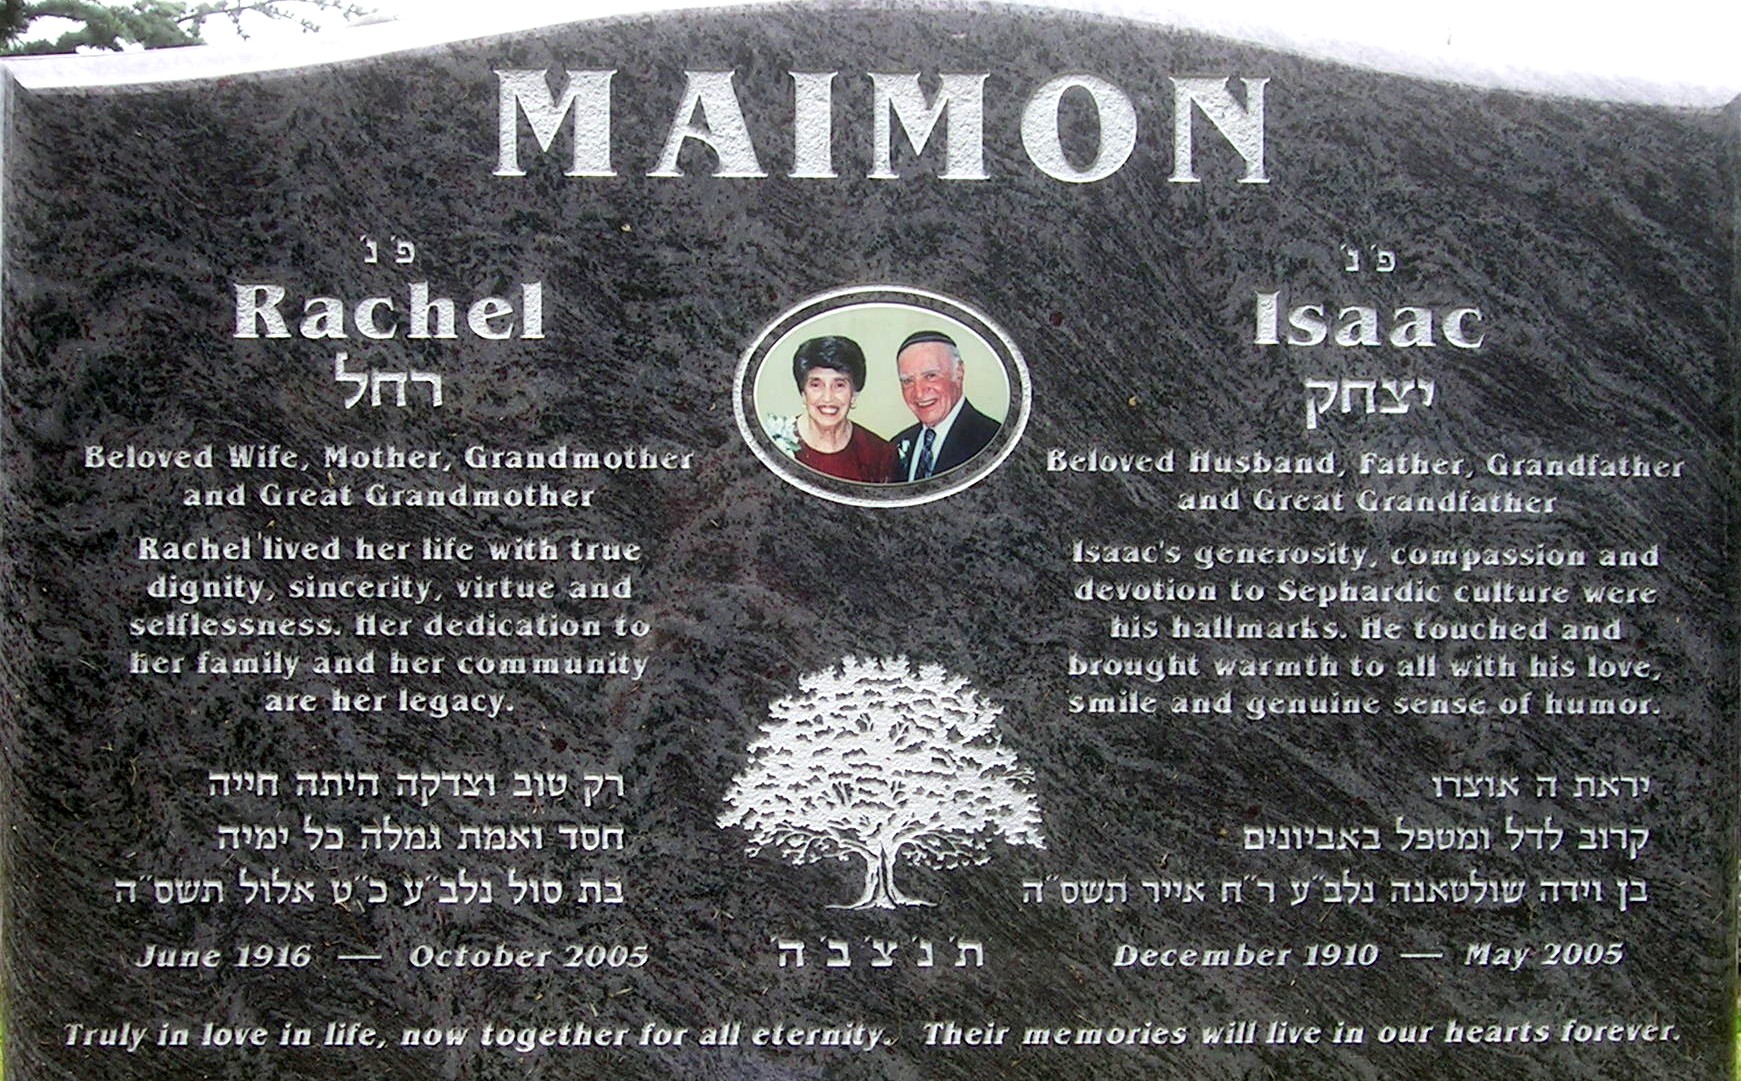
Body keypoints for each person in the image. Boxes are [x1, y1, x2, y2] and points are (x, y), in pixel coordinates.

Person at [891, 330, 1000, 481]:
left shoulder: (993, 440)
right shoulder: (895, 446)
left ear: (959, 373)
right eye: (908, 381)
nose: (919, 393)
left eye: (930, 376)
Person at [787, 335, 898, 483]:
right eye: (816, 385)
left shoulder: (879, 454)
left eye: (839, 385)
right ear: (803, 393)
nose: (827, 398)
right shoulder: (776, 445)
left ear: (854, 394)